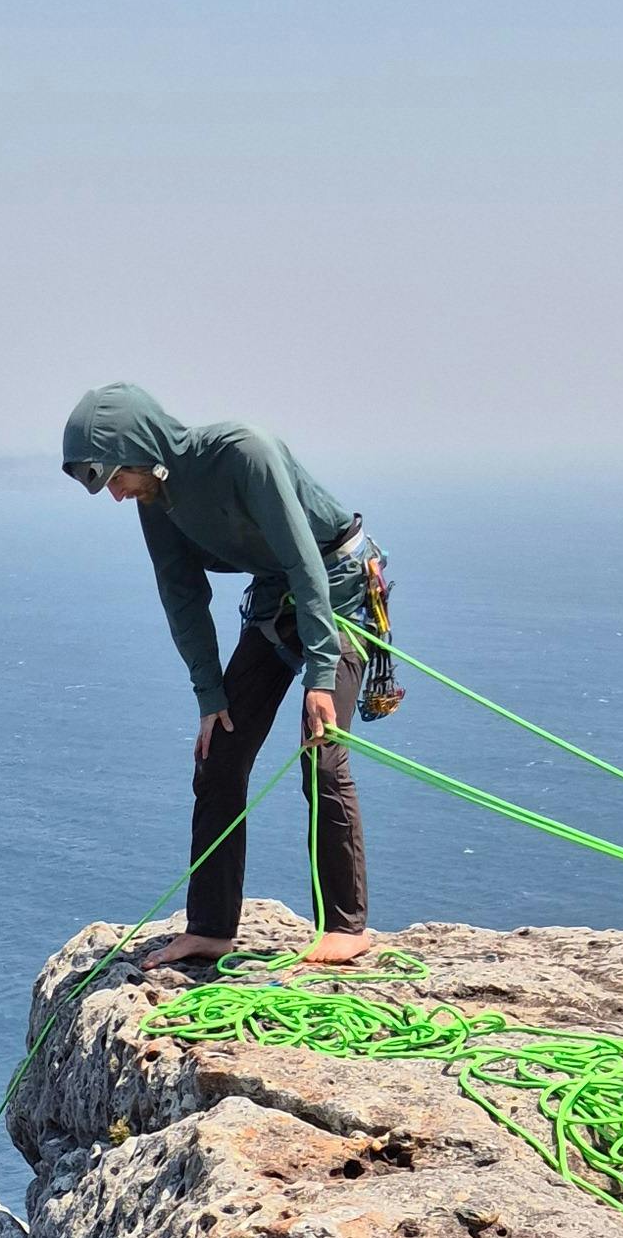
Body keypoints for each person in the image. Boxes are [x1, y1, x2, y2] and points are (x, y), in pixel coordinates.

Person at [62, 381, 396, 977]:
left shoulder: (247, 453)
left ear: (141, 447)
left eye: (114, 477)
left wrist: (322, 672)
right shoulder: (156, 500)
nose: (115, 494)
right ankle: (211, 928)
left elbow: (305, 559)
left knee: (322, 754)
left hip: (336, 589)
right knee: (219, 754)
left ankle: (346, 928)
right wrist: (209, 695)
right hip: (275, 599)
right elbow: (181, 595)